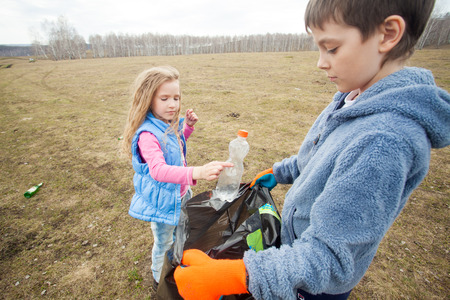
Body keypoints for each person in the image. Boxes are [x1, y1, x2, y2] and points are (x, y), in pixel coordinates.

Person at [173, 0, 450, 299]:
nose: (321, 62)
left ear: (387, 34)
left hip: (313, 283)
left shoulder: (383, 141)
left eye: (331, 48)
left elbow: (330, 257)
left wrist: (241, 275)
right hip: (295, 247)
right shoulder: (352, 97)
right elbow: (320, 155)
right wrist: (280, 172)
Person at [121, 66, 233, 290]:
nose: (172, 104)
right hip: (163, 203)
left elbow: (176, 147)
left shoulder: (167, 123)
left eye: (176, 98)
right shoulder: (147, 135)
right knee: (164, 242)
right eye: (164, 98)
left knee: (182, 232)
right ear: (148, 99)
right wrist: (197, 172)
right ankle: (158, 280)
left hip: (181, 195)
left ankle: (177, 265)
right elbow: (159, 171)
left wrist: (188, 127)